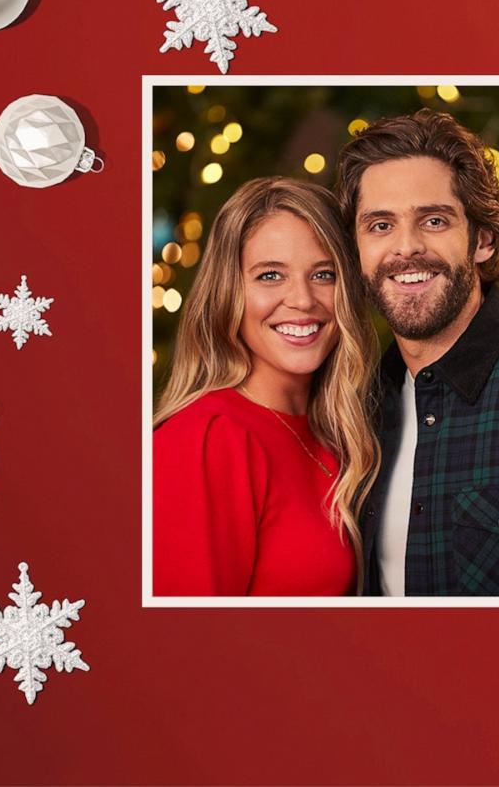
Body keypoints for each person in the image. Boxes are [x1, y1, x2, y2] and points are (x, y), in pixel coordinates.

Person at [335, 110, 499, 596]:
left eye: (433, 220)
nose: (405, 248)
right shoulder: (353, 406)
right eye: (380, 225)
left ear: (483, 240)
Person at [152, 178, 380, 596]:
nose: (302, 299)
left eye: (324, 274)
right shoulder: (207, 438)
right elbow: (181, 642)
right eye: (270, 275)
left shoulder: (344, 436)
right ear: (229, 293)